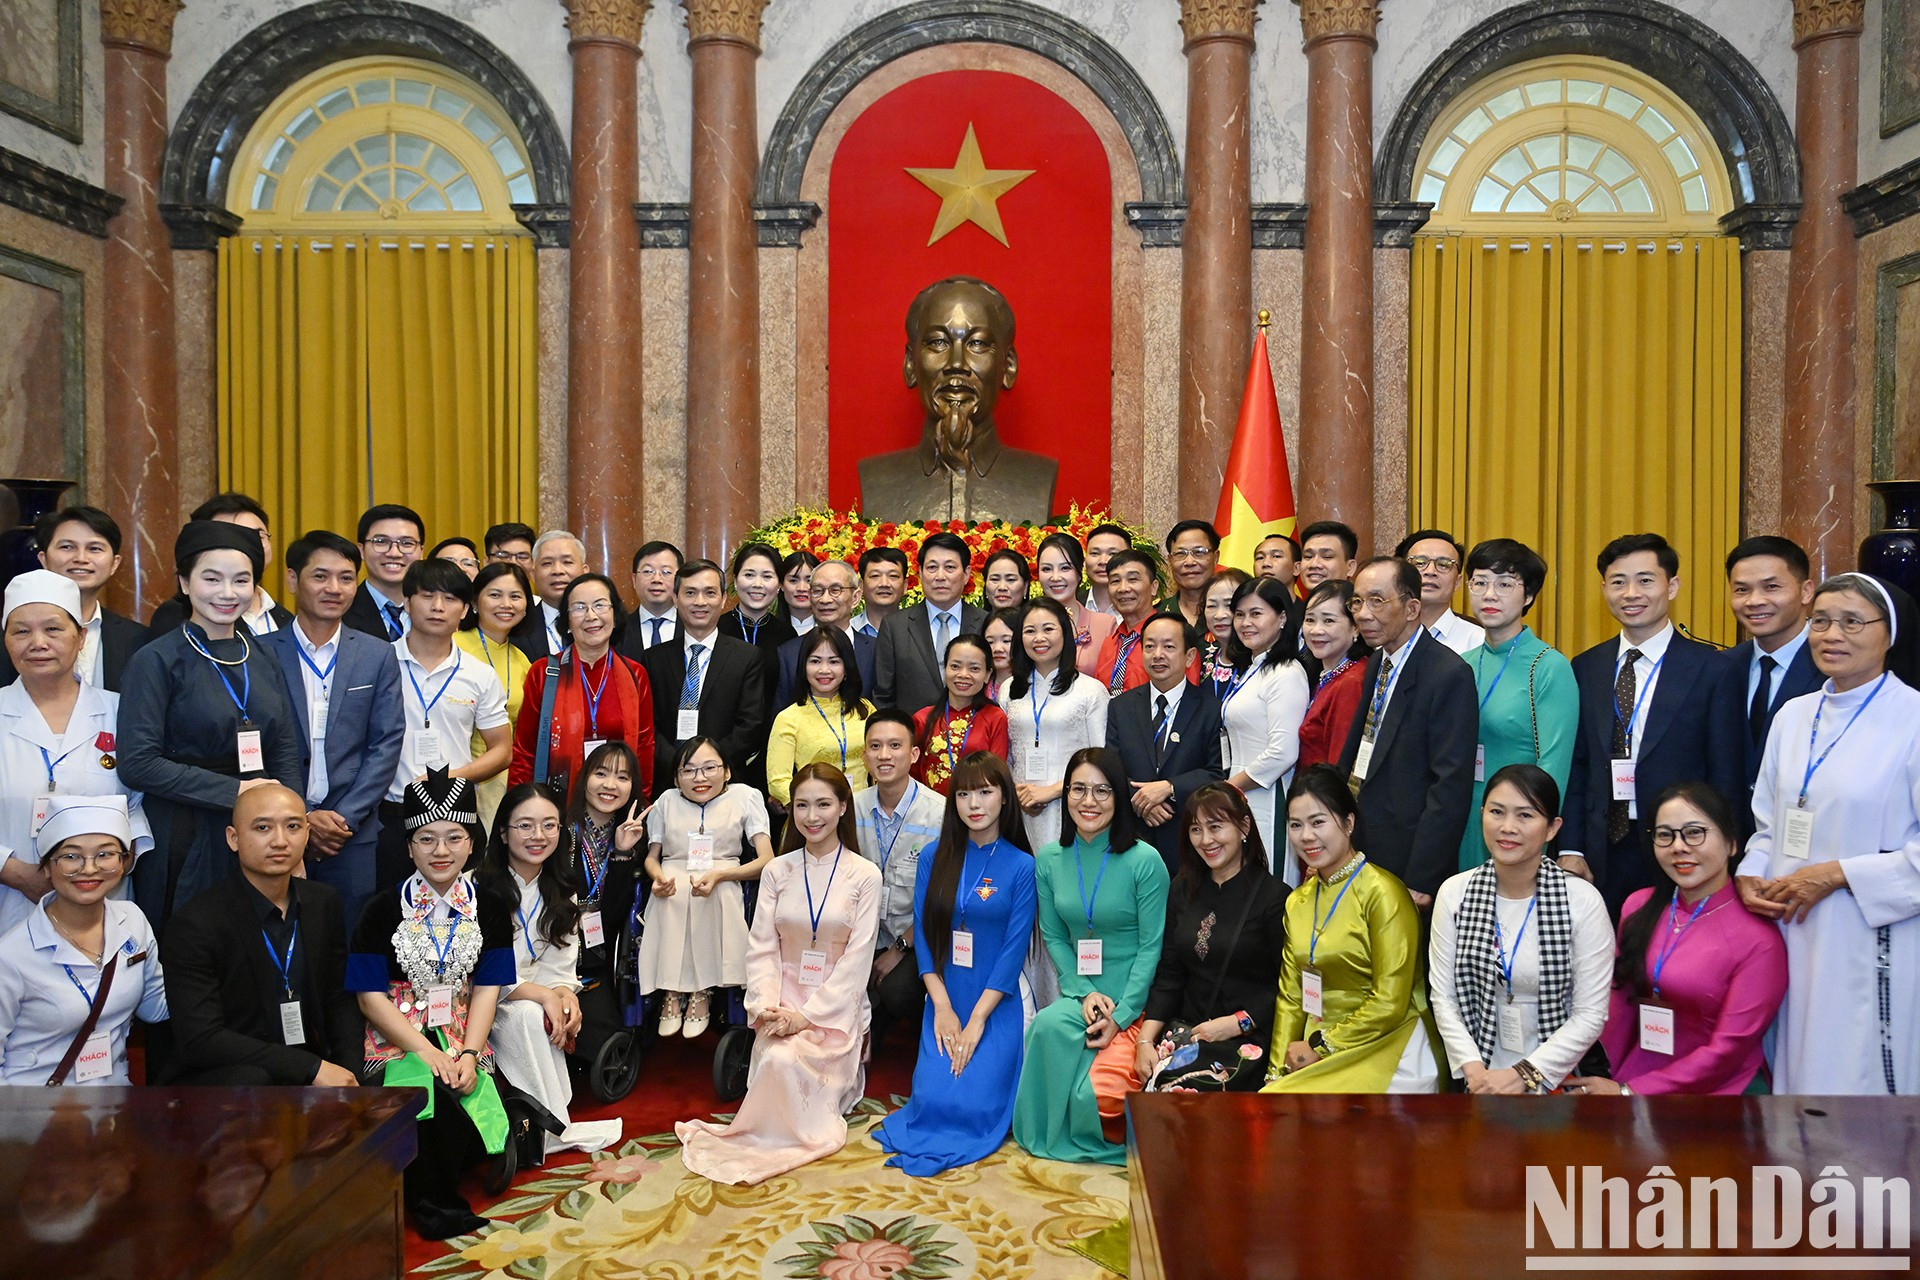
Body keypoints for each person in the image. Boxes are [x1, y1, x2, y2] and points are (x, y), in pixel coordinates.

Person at [1734, 572, 1920, 1094]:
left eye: (1852, 622)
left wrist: (1840, 874)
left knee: (1856, 1077)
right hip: (1792, 927)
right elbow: (1768, 820)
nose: (1832, 635)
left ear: (1890, 633)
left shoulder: (1912, 719)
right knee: (1797, 1073)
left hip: (1871, 932)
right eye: (1821, 621)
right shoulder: (1793, 716)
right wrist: (1751, 872)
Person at [677, 763, 881, 1185]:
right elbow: (763, 948)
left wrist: (806, 1018)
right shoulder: (777, 870)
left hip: (834, 1008)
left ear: (843, 807)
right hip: (782, 997)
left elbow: (857, 961)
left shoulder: (865, 875)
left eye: (824, 804)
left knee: (789, 1060)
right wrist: (767, 1006)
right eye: (802, 805)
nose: (812, 816)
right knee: (776, 1057)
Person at [347, 769, 513, 1239]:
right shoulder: (380, 909)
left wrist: (465, 1052)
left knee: (468, 1086)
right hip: (396, 1032)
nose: (441, 851)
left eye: (453, 837)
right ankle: (433, 1207)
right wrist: (426, 1051)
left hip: (462, 1026)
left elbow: (487, 988)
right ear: (408, 847)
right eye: (427, 839)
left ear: (471, 842)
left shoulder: (492, 906)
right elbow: (368, 998)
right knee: (429, 1099)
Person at [119, 521, 303, 928]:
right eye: (211, 578)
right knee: (194, 946)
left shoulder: (263, 654)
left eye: (241, 580)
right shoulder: (156, 660)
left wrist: (292, 829)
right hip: (185, 829)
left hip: (259, 830)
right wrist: (238, 791)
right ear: (185, 582)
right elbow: (138, 763)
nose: (227, 592)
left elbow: (286, 748)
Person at [874, 751, 1038, 1174]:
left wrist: (978, 1020)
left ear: (1004, 798)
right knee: (933, 1101)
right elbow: (925, 934)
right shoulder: (934, 856)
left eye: (985, 792)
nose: (974, 804)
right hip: (946, 992)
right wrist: (942, 1007)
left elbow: (1013, 951)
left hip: (996, 999)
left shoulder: (1022, 865)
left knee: (975, 1106)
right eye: (964, 794)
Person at [1567, 783, 1786, 1096]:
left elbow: (1728, 1050)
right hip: (1629, 1078)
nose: (1679, 847)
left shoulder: (1759, 938)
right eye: (1665, 835)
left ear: (1732, 843)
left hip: (1718, 1093)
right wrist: (1600, 1078)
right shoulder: (1639, 907)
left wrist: (1629, 1092)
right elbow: (1619, 1006)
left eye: (1694, 833)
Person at [1561, 534, 1738, 914]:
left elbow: (1726, 771)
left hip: (1681, 846)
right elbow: (1578, 766)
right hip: (1600, 849)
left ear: (1671, 586)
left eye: (1645, 580)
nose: (1631, 593)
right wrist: (1571, 847)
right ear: (1604, 588)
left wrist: (1722, 854)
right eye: (1618, 581)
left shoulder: (1712, 668)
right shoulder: (1586, 666)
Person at [1012, 747, 1168, 1162]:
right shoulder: (1048, 859)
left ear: (1118, 798)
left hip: (1132, 1003)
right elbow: (1054, 935)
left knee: (1095, 1099)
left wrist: (1120, 1016)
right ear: (1065, 796)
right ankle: (1045, 1134)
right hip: (1083, 996)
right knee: (1045, 1026)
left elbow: (1152, 946)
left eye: (1102, 791)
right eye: (1078, 789)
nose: (1089, 801)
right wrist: (1081, 992)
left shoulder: (1145, 861)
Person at [159, 783, 363, 1086]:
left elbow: (338, 999)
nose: (280, 841)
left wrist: (349, 1075)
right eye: (263, 827)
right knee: (254, 1080)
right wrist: (311, 1068)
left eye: (293, 826)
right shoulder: (196, 923)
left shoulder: (323, 902)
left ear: (307, 834)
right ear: (233, 838)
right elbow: (202, 1039)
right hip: (228, 1079)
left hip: (311, 1067)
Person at [1428, 766, 1612, 1094]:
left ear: (1552, 828)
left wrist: (1525, 1074)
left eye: (1525, 816)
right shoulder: (1455, 893)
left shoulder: (1582, 901)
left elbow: (1590, 1014)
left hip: (1558, 1071)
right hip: (1477, 1068)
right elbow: (1444, 997)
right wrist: (1474, 1070)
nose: (1507, 827)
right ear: (1482, 814)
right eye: (1497, 812)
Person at [258, 531, 406, 928]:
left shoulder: (376, 654)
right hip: (275, 827)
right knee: (278, 934)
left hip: (351, 834)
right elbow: (255, 743)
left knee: (348, 943)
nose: (334, 588)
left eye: (345, 578)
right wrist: (301, 817)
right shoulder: (260, 653)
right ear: (292, 580)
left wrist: (343, 818)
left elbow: (386, 742)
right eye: (320, 576)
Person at [1264, 765, 1439, 1093]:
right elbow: (1291, 996)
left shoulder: (1383, 892)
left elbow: (1390, 1001)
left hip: (1388, 1041)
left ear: (1348, 823)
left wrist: (1322, 1047)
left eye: (1318, 822)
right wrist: (1276, 1070)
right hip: (1317, 1041)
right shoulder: (1298, 901)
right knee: (1272, 1099)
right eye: (1295, 825)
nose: (1306, 836)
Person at [0, 572, 153, 938]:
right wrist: (15, 872)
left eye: (53, 630)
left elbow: (138, 803)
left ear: (81, 636)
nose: (38, 643)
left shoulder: (121, 712)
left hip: (105, 900)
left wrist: (118, 860)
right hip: (9, 901)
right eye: (21, 631)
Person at [479, 782, 622, 1155]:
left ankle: (550, 1120)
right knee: (529, 1013)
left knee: (549, 1008)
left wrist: (563, 995)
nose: (537, 836)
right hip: (483, 1001)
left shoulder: (560, 887)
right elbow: (480, 969)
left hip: (533, 995)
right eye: (525, 826)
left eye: (549, 825)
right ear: (503, 831)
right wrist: (543, 995)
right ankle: (551, 1124)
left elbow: (562, 962)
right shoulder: (479, 888)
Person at [1335, 557, 1479, 904]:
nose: (1363, 614)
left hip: (1408, 857)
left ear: (1412, 607)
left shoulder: (1447, 674)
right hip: (1362, 844)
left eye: (1377, 601)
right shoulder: (1377, 664)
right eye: (1357, 602)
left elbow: (1450, 785)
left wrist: (1422, 877)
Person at [0, 795, 167, 1085]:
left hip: (114, 1107)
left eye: (105, 855)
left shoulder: (133, 921)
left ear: (124, 862)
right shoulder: (12, 955)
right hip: (34, 1109)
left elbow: (156, 1008)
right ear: (48, 867)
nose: (89, 869)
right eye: (71, 856)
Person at [1136, 783, 1287, 1092]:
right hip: (1187, 1033)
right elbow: (1170, 974)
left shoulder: (1274, 898)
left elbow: (1287, 985)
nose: (1206, 840)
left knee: (1179, 1092)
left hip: (1247, 1038)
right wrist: (1144, 1041)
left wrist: (1236, 1023)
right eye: (1195, 829)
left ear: (1244, 826)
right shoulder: (1183, 888)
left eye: (1216, 827)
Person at [377, 558, 511, 892]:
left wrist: (447, 780)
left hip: (457, 815)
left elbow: (502, 750)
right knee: (391, 914)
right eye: (426, 596)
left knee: (458, 915)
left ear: (466, 610)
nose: (438, 607)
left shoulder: (479, 674)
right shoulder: (378, 662)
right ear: (406, 603)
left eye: (450, 599)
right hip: (390, 815)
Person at [638, 737, 776, 1038]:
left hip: (726, 870)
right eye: (688, 771)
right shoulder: (666, 801)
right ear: (676, 777)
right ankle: (671, 991)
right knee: (671, 895)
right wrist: (658, 878)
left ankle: (702, 991)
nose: (699, 778)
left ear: (726, 771)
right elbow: (652, 857)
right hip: (674, 869)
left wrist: (721, 876)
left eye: (709, 768)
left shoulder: (745, 797)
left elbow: (767, 859)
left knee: (717, 892)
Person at [1457, 539, 1578, 870]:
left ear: (1528, 597)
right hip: (1462, 817)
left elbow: (1554, 765)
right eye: (1479, 582)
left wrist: (1529, 826)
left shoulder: (1547, 666)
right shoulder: (1461, 664)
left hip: (1517, 826)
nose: (1489, 594)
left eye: (1505, 584)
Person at [1708, 536, 1821, 833]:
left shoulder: (1834, 668)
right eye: (1741, 590)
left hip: (1810, 841)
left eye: (1771, 587)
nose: (1755, 600)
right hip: (1730, 844)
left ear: (1806, 591)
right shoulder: (1720, 668)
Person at [509, 573, 655, 800]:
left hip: (616, 803)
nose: (591, 616)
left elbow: (644, 748)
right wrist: (520, 808)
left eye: (600, 605)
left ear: (615, 616)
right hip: (556, 807)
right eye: (579, 608)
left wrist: (640, 805)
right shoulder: (545, 673)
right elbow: (525, 751)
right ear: (566, 622)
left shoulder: (635, 674)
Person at [852, 711, 948, 1048]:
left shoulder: (939, 812)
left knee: (899, 991)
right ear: (864, 756)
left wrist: (899, 948)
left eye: (895, 745)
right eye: (875, 746)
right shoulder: (851, 808)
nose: (884, 755)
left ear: (914, 754)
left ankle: (892, 1012)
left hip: (913, 938)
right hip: (861, 935)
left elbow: (941, 898)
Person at [635, 558, 767, 800]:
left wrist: (708, 767)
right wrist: (679, 765)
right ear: (675, 598)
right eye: (690, 593)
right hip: (667, 784)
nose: (700, 602)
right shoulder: (654, 658)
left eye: (709, 593)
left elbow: (751, 725)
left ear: (723, 599)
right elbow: (647, 724)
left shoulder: (746, 657)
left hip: (726, 785)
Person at [1107, 612, 1226, 872]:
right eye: (1149, 646)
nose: (1157, 654)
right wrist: (1142, 802)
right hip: (1135, 840)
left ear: (1190, 656)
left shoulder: (1211, 709)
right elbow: (1112, 771)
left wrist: (1170, 787)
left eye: (1169, 647)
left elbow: (1217, 772)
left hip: (1191, 838)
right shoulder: (1120, 707)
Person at [1219, 578, 1312, 875]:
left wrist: (1230, 787)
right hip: (1241, 793)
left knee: (1268, 883)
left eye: (1256, 613)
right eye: (1240, 614)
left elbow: (1283, 752)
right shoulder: (1255, 667)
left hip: (1267, 794)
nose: (1246, 623)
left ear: (1282, 617)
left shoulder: (1286, 672)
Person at [0, 505, 145, 690]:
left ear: (114, 564)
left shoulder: (140, 640)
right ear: (43, 559)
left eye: (94, 548)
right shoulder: (10, 633)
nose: (81, 558)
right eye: (67, 547)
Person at [1004, 598, 1109, 845]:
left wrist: (1053, 791)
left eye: (1048, 629)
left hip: (1073, 804)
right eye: (1030, 631)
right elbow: (1006, 752)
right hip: (1021, 807)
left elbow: (1102, 757)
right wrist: (1015, 792)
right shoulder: (1008, 690)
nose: (1039, 638)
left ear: (1065, 633)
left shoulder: (1090, 690)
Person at [565, 742, 650, 1037]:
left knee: (602, 1037)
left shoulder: (634, 839)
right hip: (555, 948)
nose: (610, 785)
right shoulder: (559, 830)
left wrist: (623, 854)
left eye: (623, 778)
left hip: (600, 956)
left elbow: (615, 915)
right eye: (601, 773)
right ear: (584, 777)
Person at [453, 561, 535, 829]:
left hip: (504, 782)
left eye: (515, 596)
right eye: (495, 595)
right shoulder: (452, 645)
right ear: (475, 602)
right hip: (454, 776)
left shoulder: (523, 661)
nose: (506, 604)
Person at [145, 494, 294, 637]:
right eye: (231, 536)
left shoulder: (285, 618)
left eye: (258, 536)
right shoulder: (176, 614)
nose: (247, 545)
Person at [874, 533, 986, 713]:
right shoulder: (895, 626)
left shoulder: (985, 622)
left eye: (949, 567)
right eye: (932, 567)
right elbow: (883, 697)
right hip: (913, 736)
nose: (940, 576)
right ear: (920, 574)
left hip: (974, 736)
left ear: (966, 574)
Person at [719, 541, 798, 793]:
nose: (757, 584)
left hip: (771, 746)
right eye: (749, 575)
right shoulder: (717, 629)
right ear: (735, 579)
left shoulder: (787, 634)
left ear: (779, 584)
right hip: (720, 745)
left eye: (767, 576)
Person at [767, 627, 873, 804]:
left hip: (864, 812)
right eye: (815, 661)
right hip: (814, 817)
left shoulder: (866, 709)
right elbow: (778, 782)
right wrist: (814, 807)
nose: (824, 670)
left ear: (846, 666)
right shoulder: (789, 718)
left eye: (834, 662)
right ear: (804, 666)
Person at [769, 559, 877, 707]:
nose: (825, 599)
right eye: (817, 591)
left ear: (855, 598)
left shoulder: (876, 650)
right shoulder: (789, 653)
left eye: (835, 590)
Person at [911, 633, 1011, 793]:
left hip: (978, 810)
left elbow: (996, 776)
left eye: (974, 668)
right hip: (929, 812)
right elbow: (912, 776)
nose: (963, 674)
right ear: (945, 670)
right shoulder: (923, 719)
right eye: (955, 666)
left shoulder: (995, 718)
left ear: (987, 675)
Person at [1296, 580, 1368, 771]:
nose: (1316, 630)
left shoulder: (1352, 682)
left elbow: (1339, 763)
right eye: (1310, 620)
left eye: (1328, 620)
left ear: (1355, 628)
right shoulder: (1327, 675)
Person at [341, 504, 426, 641]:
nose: (394, 553)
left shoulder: (437, 610)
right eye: (381, 542)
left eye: (406, 543)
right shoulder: (341, 611)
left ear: (421, 552)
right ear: (361, 551)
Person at [1035, 532, 1115, 675]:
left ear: (1079, 571)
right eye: (1047, 569)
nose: (1055, 577)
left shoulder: (1105, 625)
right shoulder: (1026, 622)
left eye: (1065, 568)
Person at [1396, 529, 1485, 655]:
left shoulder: (1477, 641)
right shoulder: (1383, 633)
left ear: (1457, 581)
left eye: (1444, 565)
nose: (1431, 571)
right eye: (1420, 563)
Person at [1091, 549, 1163, 694]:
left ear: (1153, 587)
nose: (1123, 588)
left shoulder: (1172, 638)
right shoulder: (1109, 644)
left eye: (1133, 579)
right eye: (1115, 581)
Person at [514, 530, 589, 661]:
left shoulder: (606, 624)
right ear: (533, 575)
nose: (557, 571)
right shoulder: (516, 626)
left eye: (567, 562)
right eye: (547, 563)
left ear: (584, 572)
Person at [1160, 520, 1220, 631]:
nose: (1189, 562)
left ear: (1215, 557)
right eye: (1180, 554)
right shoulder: (1156, 614)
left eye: (1199, 552)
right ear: (1170, 561)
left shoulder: (1234, 613)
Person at [1200, 567, 1252, 691]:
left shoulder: (1259, 664)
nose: (1219, 615)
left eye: (1229, 605)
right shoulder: (1203, 662)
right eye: (1212, 606)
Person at [630, 541, 684, 648]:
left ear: (679, 580)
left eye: (666, 572)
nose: (656, 579)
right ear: (634, 580)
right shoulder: (616, 631)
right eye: (648, 571)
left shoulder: (693, 628)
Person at [851, 546, 909, 639]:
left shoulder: (920, 631)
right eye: (875, 576)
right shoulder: (848, 631)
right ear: (861, 586)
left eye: (893, 576)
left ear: (905, 586)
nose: (884, 584)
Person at [1083, 523, 1133, 616]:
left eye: (1112, 554)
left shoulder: (1143, 607)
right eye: (1095, 553)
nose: (1103, 561)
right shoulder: (1070, 605)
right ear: (1085, 560)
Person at [1298, 520, 1359, 594]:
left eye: (1327, 557)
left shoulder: (1361, 605)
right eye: (1308, 556)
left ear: (1350, 567)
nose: (1314, 564)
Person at [779, 550, 819, 635]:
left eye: (809, 581)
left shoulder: (832, 630)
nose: (801, 588)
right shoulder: (768, 631)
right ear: (781, 585)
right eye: (793, 581)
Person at [983, 607, 1019, 698]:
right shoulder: (979, 684)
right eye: (990, 642)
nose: (997, 649)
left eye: (1006, 641)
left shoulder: (1033, 684)